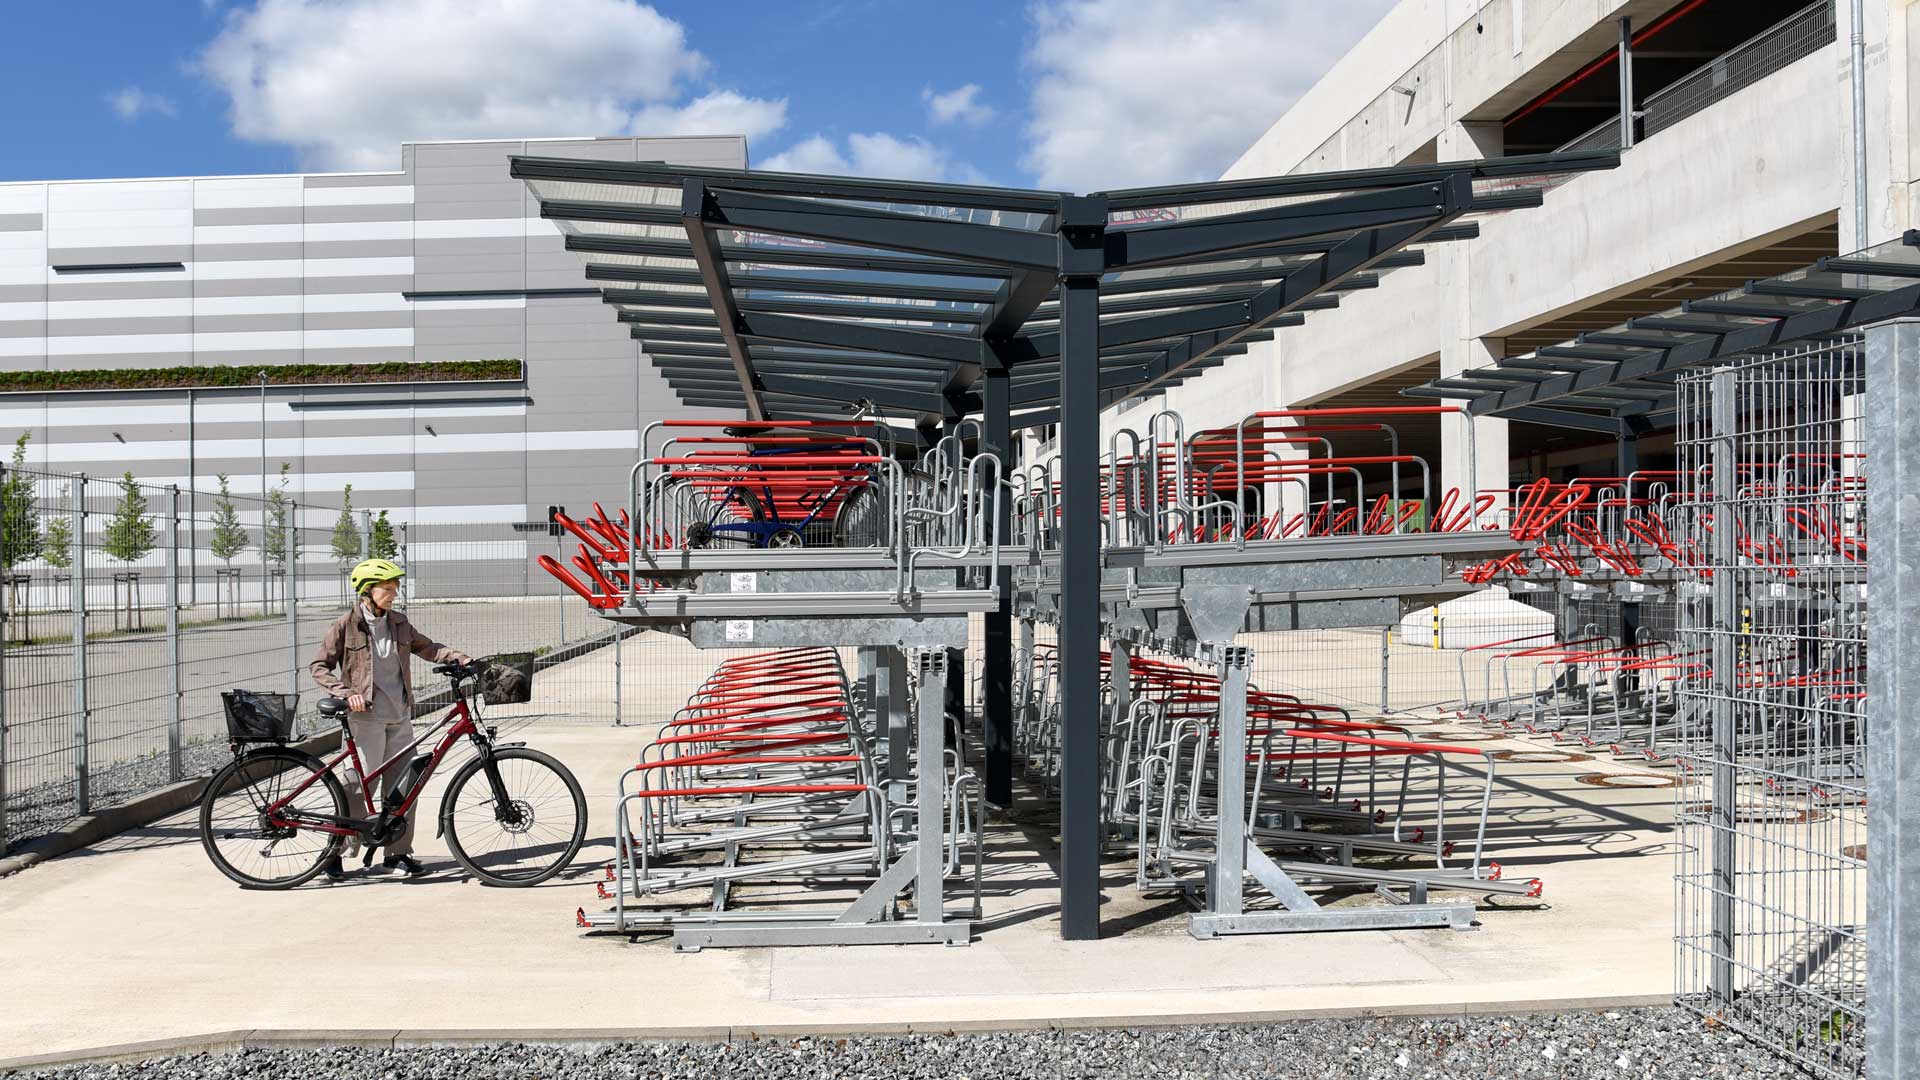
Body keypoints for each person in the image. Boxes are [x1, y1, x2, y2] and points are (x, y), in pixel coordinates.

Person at [309, 558, 470, 881]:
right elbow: (319, 665)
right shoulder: (346, 624)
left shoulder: (398, 622)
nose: (394, 592)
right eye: (387, 587)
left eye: (395, 586)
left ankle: (396, 854)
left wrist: (460, 658)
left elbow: (427, 648)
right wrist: (345, 692)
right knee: (358, 787)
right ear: (367, 591)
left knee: (405, 785)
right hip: (365, 717)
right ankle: (336, 854)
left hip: (399, 715)